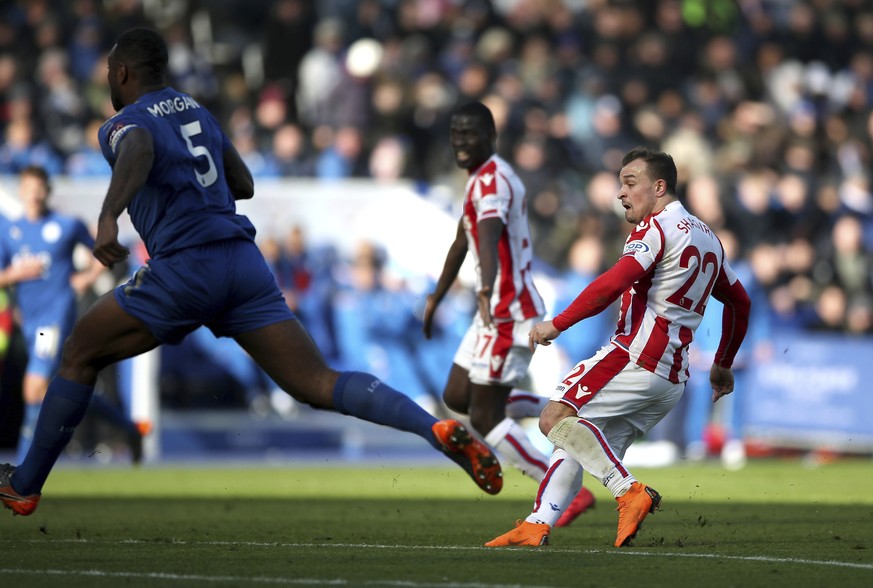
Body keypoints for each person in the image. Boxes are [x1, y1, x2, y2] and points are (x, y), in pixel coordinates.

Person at [0, 28, 501, 517]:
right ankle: (431, 429)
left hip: (184, 265)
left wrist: (111, 215)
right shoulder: (198, 111)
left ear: (123, 71)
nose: (109, 80)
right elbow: (243, 182)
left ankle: (24, 485)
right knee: (317, 382)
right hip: (242, 264)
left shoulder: (123, 124)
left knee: (79, 352)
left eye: (110, 71)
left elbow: (139, 149)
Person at [485, 147, 751, 547]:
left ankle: (628, 490)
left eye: (630, 183)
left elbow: (611, 284)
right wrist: (722, 364)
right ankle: (538, 523)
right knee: (579, 442)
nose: (620, 194)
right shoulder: (709, 238)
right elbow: (740, 302)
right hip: (671, 380)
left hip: (635, 357)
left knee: (554, 418)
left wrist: (557, 323)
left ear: (659, 187)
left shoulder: (655, 231)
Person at [422, 102, 588, 508]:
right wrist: (437, 295)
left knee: (484, 417)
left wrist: (486, 287)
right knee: (458, 396)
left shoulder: (495, 182)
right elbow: (463, 242)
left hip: (508, 311)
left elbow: (490, 233)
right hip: (492, 308)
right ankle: (559, 409)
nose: (462, 141)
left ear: (491, 137)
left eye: (470, 134)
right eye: (456, 134)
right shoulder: (477, 180)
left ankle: (565, 491)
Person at [0, 166, 141, 465]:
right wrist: (16, 273)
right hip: (29, 320)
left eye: (40, 188)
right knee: (65, 386)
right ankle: (129, 429)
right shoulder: (9, 231)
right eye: (29, 188)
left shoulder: (66, 225)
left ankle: (22, 474)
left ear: (48, 191)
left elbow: (106, 250)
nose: (35, 194)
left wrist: (87, 277)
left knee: (34, 387)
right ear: (22, 191)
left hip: (53, 318)